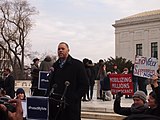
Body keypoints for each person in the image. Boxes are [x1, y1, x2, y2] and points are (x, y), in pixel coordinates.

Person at [46, 42, 89, 120]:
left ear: (68, 50)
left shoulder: (77, 65)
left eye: (63, 49)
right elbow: (51, 84)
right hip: (56, 108)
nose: (60, 50)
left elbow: (85, 85)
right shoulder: (55, 66)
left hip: (71, 108)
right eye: (59, 49)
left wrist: (74, 97)